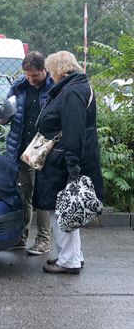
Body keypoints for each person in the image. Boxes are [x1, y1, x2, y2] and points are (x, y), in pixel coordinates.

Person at [34, 51, 103, 274]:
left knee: (61, 210)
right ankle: (73, 256)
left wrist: (73, 166)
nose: (49, 75)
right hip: (69, 157)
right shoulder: (78, 86)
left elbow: (73, 131)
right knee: (69, 209)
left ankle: (68, 261)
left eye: (50, 70)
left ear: (58, 69)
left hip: (64, 160)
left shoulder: (72, 92)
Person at [0, 51, 54, 255]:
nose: (31, 80)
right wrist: (2, 117)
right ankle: (21, 237)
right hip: (20, 146)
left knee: (42, 195)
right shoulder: (19, 86)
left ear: (44, 70)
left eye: (35, 76)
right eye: (28, 76)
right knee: (24, 194)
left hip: (43, 147)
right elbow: (6, 111)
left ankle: (43, 240)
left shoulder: (53, 88)